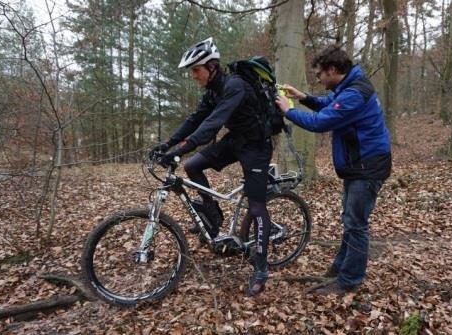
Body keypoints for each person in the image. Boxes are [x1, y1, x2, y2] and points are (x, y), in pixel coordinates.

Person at [149, 37, 273, 297]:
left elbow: (212, 125)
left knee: (256, 206)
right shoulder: (213, 91)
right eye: (192, 71)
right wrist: (167, 143)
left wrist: (180, 149)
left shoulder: (235, 86)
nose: (194, 76)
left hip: (256, 147)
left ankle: (261, 269)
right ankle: (214, 217)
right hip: (236, 141)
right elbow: (196, 119)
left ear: (212, 67)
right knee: (193, 166)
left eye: (196, 70)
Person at [275, 45, 392, 294]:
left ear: (331, 70)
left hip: (368, 166)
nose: (318, 78)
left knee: (356, 224)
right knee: (350, 221)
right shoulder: (349, 86)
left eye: (319, 74)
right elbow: (329, 104)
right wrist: (303, 97)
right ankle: (339, 271)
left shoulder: (354, 93)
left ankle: (349, 281)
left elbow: (321, 122)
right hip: (358, 166)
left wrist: (289, 110)